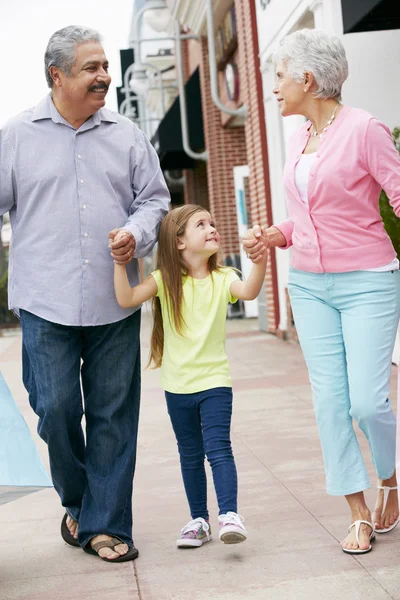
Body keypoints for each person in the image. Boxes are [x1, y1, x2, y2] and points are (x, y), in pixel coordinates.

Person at [0, 25, 170, 562]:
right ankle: (79, 501)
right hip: (43, 299)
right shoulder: (17, 136)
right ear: (57, 75)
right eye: (91, 68)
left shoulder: (127, 135)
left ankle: (107, 525)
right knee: (54, 407)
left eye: (105, 67)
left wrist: (135, 233)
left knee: (113, 414)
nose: (104, 76)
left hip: (113, 297)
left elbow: (155, 201)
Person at [243, 29, 400, 555]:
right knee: (331, 404)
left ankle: (391, 477)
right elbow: (308, 215)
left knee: (366, 402)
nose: (276, 87)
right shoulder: (299, 136)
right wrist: (277, 233)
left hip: (367, 282)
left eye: (281, 76)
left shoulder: (366, 131)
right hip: (308, 285)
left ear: (308, 79)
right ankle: (357, 512)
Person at [114, 204, 268, 547]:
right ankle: (198, 520)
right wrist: (119, 262)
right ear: (180, 241)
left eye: (212, 222)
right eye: (201, 224)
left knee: (218, 448)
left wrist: (259, 258)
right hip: (177, 386)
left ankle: (229, 514)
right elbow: (126, 299)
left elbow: (251, 291)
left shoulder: (225, 277)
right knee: (189, 453)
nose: (212, 227)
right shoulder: (165, 282)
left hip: (215, 382)